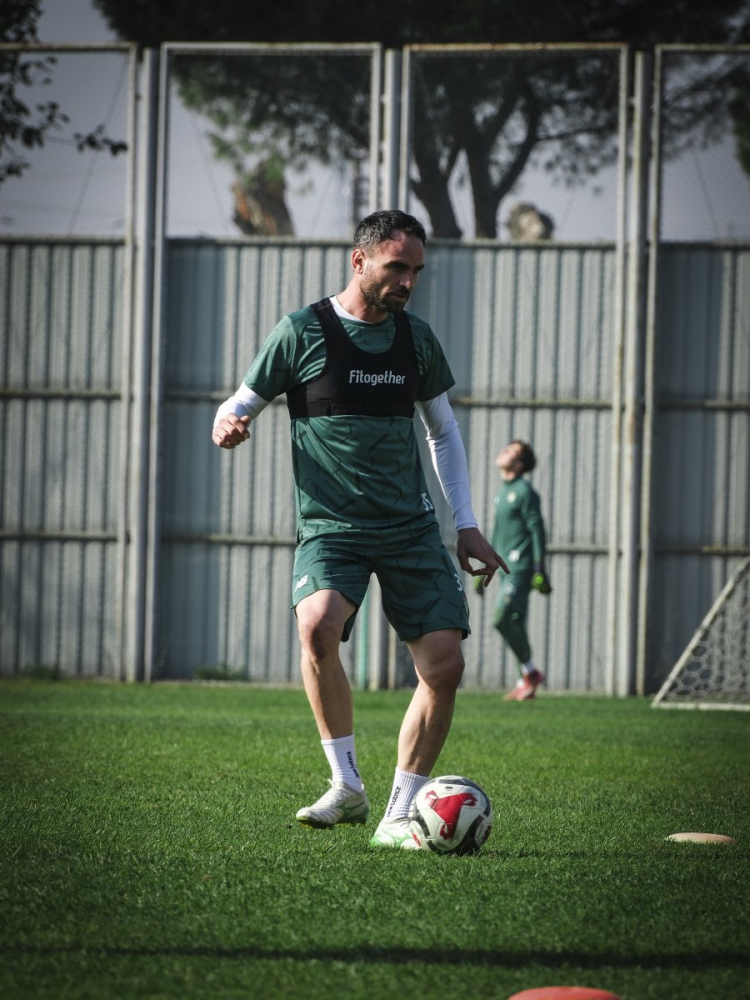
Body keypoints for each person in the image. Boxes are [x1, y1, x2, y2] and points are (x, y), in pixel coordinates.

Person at [212, 209, 507, 849]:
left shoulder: (416, 339)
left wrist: (467, 524)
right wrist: (228, 423)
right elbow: (239, 402)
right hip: (331, 526)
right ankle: (346, 785)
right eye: (397, 267)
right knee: (317, 625)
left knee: (445, 665)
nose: (408, 281)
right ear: (360, 260)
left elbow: (443, 432)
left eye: (416, 270)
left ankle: (399, 812)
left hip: (409, 528)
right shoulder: (301, 332)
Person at [474, 440, 551, 701]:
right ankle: (525, 681)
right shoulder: (501, 493)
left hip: (521, 567)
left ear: (519, 465)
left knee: (501, 618)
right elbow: (498, 533)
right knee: (515, 621)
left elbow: (537, 529)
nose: (504, 450)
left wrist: (539, 567)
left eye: (511, 451)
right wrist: (486, 563)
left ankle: (531, 673)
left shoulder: (524, 492)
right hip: (504, 568)